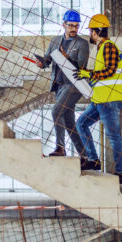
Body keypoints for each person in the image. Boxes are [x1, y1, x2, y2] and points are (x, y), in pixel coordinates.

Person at [72, 14, 122, 185]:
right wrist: (86, 75)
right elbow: (101, 74)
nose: (90, 34)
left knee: (113, 136)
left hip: (109, 100)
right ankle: (94, 160)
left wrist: (89, 73)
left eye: (91, 31)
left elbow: (110, 70)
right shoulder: (101, 48)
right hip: (100, 100)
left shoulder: (108, 46)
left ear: (97, 31)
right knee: (81, 124)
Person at [34, 9, 90, 160]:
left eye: (76, 26)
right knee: (70, 123)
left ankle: (60, 148)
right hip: (59, 86)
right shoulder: (55, 41)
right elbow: (48, 59)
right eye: (70, 25)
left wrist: (66, 58)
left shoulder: (82, 44)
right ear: (64, 24)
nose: (73, 29)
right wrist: (42, 63)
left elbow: (81, 68)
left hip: (73, 85)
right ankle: (86, 156)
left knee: (56, 111)